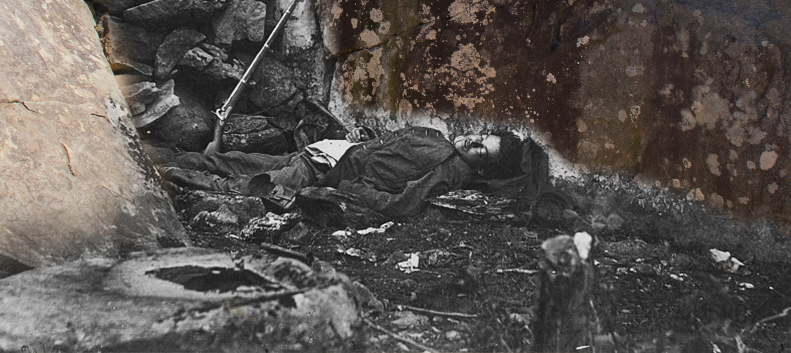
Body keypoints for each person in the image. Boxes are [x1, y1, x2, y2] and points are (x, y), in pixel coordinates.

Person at [159, 125, 526, 220]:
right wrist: (363, 139)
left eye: (482, 150)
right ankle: (156, 159)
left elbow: (402, 205)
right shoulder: (442, 141)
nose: (475, 140)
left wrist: (356, 188)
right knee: (234, 158)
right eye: (484, 136)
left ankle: (160, 175)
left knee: (237, 184)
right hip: (324, 153)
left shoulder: (451, 168)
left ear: (480, 166)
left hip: (322, 174)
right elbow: (390, 152)